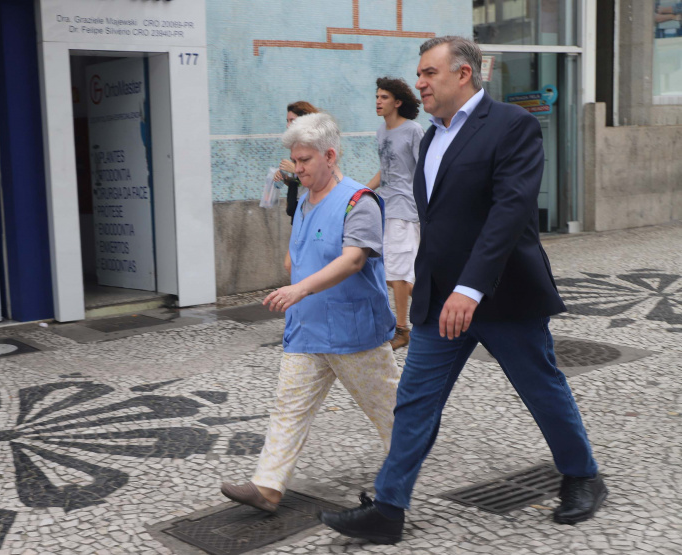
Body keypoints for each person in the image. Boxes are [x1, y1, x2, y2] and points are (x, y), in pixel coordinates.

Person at [320, 37, 606, 544]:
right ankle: (388, 509)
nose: (420, 83)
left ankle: (582, 475)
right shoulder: (431, 137)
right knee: (414, 402)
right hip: (438, 300)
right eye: (420, 74)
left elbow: (509, 212)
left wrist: (471, 288)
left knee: (540, 388)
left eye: (429, 73)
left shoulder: (512, 125)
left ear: (464, 75)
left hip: (502, 296)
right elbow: (438, 220)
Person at [220, 113, 400, 513]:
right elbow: (301, 252)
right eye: (295, 160)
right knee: (288, 408)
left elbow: (354, 260)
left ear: (330, 155)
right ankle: (267, 487)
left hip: (355, 335)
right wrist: (293, 267)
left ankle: (399, 484)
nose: (296, 168)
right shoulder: (304, 199)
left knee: (391, 415)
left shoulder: (360, 201)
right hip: (306, 331)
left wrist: (300, 287)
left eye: (304, 161)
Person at [365, 77, 424, 350]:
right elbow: (384, 171)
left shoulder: (413, 130)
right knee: (390, 273)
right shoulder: (381, 132)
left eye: (384, 97)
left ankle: (402, 330)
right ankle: (440, 302)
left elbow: (425, 170)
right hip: (385, 207)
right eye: (377, 96)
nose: (378, 101)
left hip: (406, 208)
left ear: (398, 102)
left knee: (399, 272)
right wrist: (361, 192)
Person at [276, 101, 319, 273]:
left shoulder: (314, 145)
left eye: (292, 121)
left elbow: (319, 179)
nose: (288, 125)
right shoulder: (295, 146)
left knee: (295, 262)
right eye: (287, 121)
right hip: (298, 209)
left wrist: (295, 169)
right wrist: (286, 178)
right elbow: (300, 181)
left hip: (312, 208)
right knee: (295, 261)